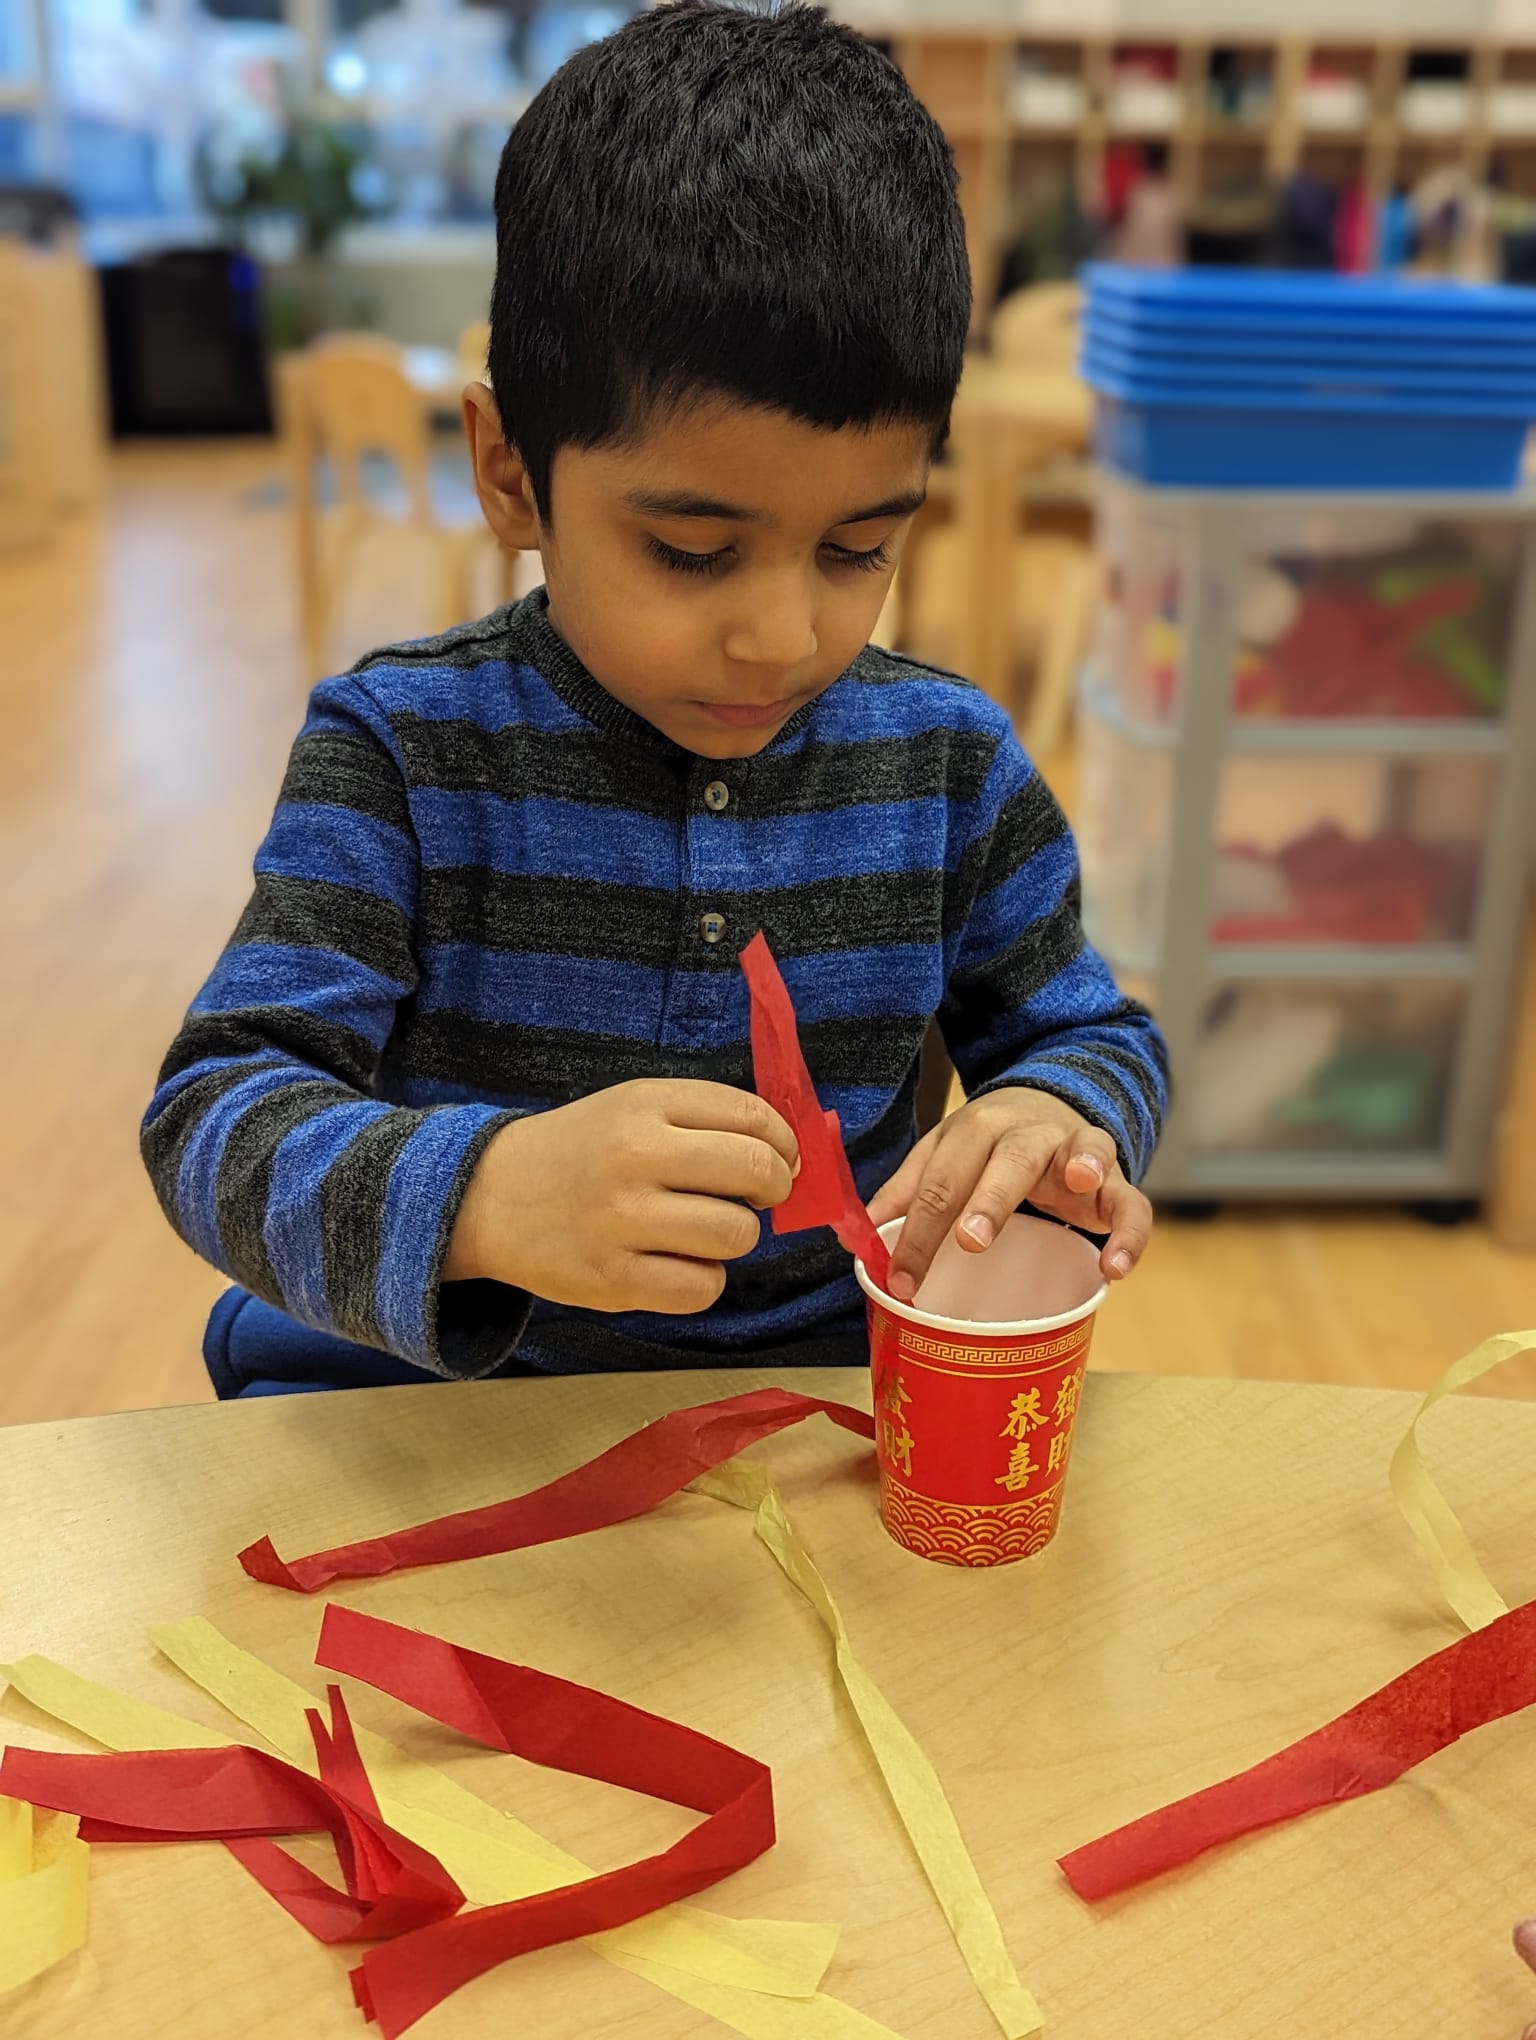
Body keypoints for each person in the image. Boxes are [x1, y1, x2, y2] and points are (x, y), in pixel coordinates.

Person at [142, 0, 1168, 1398]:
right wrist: (491, 1194)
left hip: (811, 1407)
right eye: (692, 551)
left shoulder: (948, 766)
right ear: (511, 474)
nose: (783, 633)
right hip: (430, 1416)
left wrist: (1061, 1111)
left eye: (859, 545)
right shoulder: (402, 755)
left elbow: (1094, 1032)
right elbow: (215, 1116)